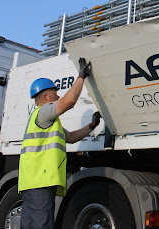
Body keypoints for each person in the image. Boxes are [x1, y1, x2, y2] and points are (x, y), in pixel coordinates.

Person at [18, 58, 101, 229]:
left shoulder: (46, 121)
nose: (57, 96)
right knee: (42, 224)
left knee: (29, 224)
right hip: (39, 181)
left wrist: (91, 126)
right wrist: (81, 77)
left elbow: (70, 137)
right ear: (46, 96)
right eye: (55, 93)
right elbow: (68, 102)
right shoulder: (44, 112)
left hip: (32, 182)